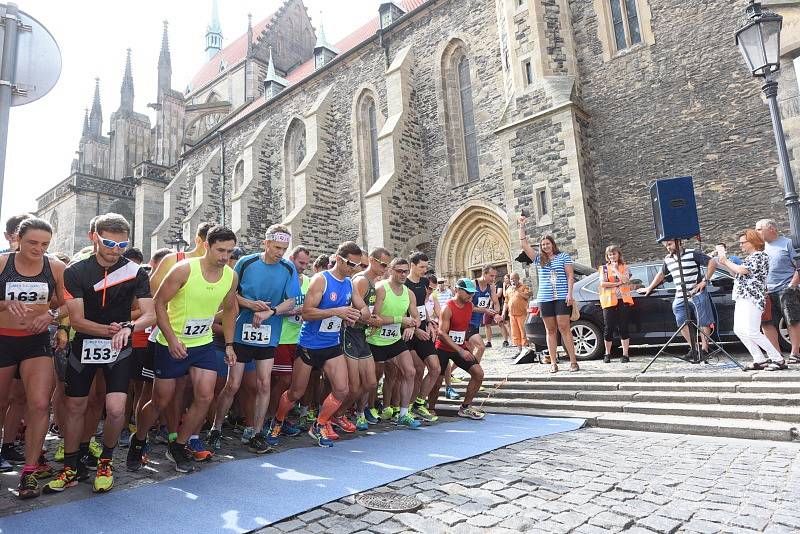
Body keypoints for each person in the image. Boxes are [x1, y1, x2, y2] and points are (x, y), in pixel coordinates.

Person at [46, 213, 154, 495]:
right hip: (85, 343)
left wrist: (129, 327)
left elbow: (150, 314)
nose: (115, 249)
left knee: (117, 409)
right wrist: (111, 330)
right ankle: (71, 465)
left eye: (122, 244)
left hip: (120, 344)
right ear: (93, 237)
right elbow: (78, 321)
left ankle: (106, 462)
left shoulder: (135, 271)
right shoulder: (76, 271)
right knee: (75, 407)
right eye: (108, 243)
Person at [128, 226, 238, 473]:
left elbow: (231, 310)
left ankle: (178, 445)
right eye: (220, 250)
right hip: (171, 344)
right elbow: (158, 303)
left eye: (229, 252)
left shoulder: (231, 275)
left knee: (205, 396)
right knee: (160, 401)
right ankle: (139, 438)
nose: (224, 256)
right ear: (207, 246)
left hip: (203, 343)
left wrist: (229, 344)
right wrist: (171, 338)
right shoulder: (184, 269)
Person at [208, 225, 301, 453]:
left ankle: (258, 433)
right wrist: (251, 304)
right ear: (266, 243)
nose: (281, 252)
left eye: (284, 248)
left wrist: (271, 311)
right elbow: (231, 294)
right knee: (233, 384)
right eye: (277, 247)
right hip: (241, 332)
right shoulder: (246, 263)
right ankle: (215, 429)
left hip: (269, 335)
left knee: (263, 384)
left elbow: (293, 301)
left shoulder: (289, 268)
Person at [268, 241, 370, 448]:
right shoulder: (321, 280)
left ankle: (319, 424)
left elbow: (364, 309)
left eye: (358, 266)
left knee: (342, 390)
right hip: (309, 345)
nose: (354, 269)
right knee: (295, 392)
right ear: (339, 259)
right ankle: (277, 421)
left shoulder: (350, 283)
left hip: (331, 345)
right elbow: (306, 313)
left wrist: (358, 315)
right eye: (351, 264)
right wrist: (337, 312)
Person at [0, 218, 66, 498]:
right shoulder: (3, 264)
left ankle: (29, 471)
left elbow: (70, 304)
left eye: (45, 244)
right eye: (32, 243)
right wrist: (3, 303)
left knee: (39, 404)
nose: (38, 249)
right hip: (3, 339)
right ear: (18, 239)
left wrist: (52, 317)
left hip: (36, 342)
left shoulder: (55, 267)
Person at [717, 229, 787, 370]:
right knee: (739, 329)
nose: (741, 246)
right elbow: (737, 273)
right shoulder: (750, 258)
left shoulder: (760, 256)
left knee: (751, 330)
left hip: (753, 298)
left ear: (753, 241)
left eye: (743, 242)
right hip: (743, 297)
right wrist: (724, 263)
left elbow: (743, 271)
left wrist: (725, 260)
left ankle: (778, 359)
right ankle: (759, 359)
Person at [518, 215, 579, 372]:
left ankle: (573, 361)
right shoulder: (539, 259)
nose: (545, 246)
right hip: (545, 298)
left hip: (561, 296)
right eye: (543, 244)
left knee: (564, 327)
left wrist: (570, 294)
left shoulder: (563, 256)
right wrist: (522, 226)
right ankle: (553, 362)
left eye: (547, 244)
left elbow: (570, 276)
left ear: (552, 244)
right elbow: (524, 245)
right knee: (550, 330)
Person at [639, 239, 716, 362]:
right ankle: (694, 349)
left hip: (697, 293)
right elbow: (661, 274)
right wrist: (649, 287)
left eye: (669, 244)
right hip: (680, 296)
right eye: (666, 246)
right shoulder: (667, 259)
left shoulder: (693, 253)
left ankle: (705, 350)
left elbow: (712, 261)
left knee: (703, 321)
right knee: (681, 322)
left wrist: (705, 280)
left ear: (678, 242)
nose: (668, 247)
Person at [368, 258, 421, 428]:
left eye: (405, 271)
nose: (403, 274)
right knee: (372, 380)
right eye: (399, 271)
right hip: (375, 340)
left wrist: (412, 326)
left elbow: (416, 317)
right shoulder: (381, 289)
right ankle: (367, 410)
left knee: (410, 371)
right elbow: (374, 319)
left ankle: (403, 413)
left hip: (394, 340)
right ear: (390, 270)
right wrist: (401, 320)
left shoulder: (409, 293)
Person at [434, 278, 485, 419]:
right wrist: (461, 350)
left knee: (478, 373)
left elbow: (473, 309)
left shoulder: (469, 305)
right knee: (437, 380)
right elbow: (441, 333)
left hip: (459, 347)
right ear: (457, 290)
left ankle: (465, 407)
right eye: (467, 292)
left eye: (472, 293)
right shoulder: (447, 308)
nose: (471, 295)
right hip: (443, 348)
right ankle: (430, 408)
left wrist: (488, 311)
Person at [755, 219, 800, 363]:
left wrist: (792, 285)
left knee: (791, 320)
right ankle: (776, 356)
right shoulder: (760, 247)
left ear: (772, 229)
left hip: (785, 288)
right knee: (767, 323)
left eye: (759, 229)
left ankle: (795, 353)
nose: (756, 232)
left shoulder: (788, 243)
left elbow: (798, 265)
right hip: (766, 291)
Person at [403, 252, 440, 423]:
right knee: (417, 369)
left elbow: (422, 305)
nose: (425, 270)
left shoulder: (425, 282)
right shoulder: (405, 282)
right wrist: (414, 328)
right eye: (421, 267)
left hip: (422, 326)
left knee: (435, 368)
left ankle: (419, 403)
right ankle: (406, 407)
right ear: (412, 265)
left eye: (426, 267)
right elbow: (403, 309)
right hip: (407, 330)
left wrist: (429, 321)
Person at [598, 245, 634, 363]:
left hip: (623, 300)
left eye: (614, 254)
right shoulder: (603, 268)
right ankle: (607, 353)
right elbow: (603, 284)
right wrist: (617, 284)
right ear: (607, 256)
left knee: (623, 326)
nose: (612, 256)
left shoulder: (624, 267)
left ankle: (625, 354)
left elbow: (626, 280)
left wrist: (616, 270)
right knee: (608, 327)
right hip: (609, 301)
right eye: (610, 254)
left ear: (618, 254)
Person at [503, 272, 531, 354]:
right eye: (511, 279)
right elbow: (506, 301)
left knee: (523, 332)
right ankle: (519, 351)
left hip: (522, 314)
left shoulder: (524, 287)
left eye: (514, 278)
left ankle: (525, 349)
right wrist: (503, 312)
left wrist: (517, 290)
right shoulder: (508, 289)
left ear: (518, 279)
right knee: (515, 333)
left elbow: (527, 296)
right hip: (512, 315)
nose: (512, 280)